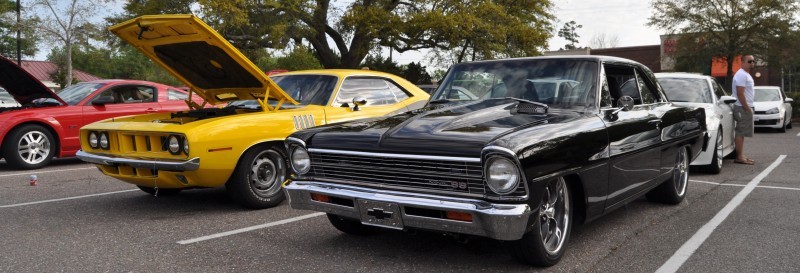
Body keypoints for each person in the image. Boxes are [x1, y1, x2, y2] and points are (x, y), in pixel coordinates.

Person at [732, 54, 756, 165]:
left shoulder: (746, 74)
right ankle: (739, 157)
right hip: (741, 107)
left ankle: (741, 155)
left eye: (753, 61)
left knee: (742, 132)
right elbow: (740, 93)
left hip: (745, 107)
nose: (752, 63)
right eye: (749, 61)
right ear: (743, 62)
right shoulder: (741, 75)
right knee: (740, 132)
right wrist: (747, 108)